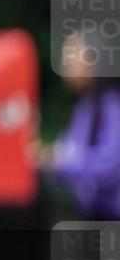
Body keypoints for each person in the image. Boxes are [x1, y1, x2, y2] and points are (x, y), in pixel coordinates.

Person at [51, 31, 120, 221]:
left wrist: (60, 162)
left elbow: (108, 168)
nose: (65, 64)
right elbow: (70, 150)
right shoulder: (84, 108)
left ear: (93, 60)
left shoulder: (111, 107)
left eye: (71, 55)